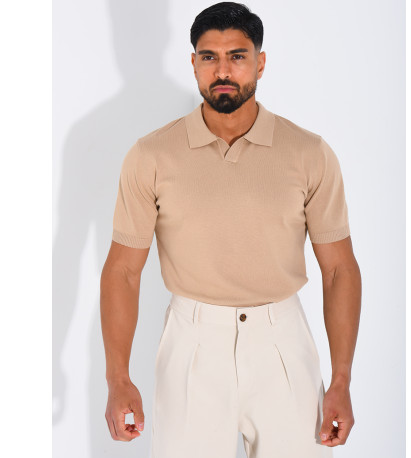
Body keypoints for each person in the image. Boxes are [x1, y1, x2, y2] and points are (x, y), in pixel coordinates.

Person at [100, 2, 361, 457]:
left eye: (237, 56)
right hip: (191, 345)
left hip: (283, 345)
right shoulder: (151, 156)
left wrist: (341, 380)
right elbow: (122, 271)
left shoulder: (309, 153)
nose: (222, 71)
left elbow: (339, 269)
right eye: (209, 57)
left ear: (260, 62)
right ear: (193, 63)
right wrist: (117, 378)